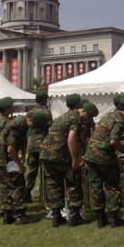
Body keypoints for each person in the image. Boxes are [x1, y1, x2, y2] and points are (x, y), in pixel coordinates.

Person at [40, 94, 98, 227]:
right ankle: (74, 216)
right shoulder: (75, 119)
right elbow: (71, 140)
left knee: (54, 184)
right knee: (73, 184)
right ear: (82, 110)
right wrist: (75, 160)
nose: (87, 120)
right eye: (88, 116)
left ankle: (56, 217)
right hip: (61, 155)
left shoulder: (63, 116)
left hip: (47, 155)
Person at [83, 95, 124, 228]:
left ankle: (100, 219)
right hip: (103, 156)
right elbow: (113, 141)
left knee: (96, 187)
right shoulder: (120, 120)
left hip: (90, 155)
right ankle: (114, 218)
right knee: (112, 186)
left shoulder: (108, 115)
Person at [0, 111, 35, 225]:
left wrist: (23, 155)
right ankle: (20, 215)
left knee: (4, 187)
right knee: (18, 185)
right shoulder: (16, 126)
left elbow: (24, 141)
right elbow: (10, 150)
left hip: (0, 159)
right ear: (29, 119)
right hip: (7, 160)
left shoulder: (22, 123)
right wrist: (20, 165)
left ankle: (7, 216)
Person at [25, 89, 53, 202]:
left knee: (32, 171)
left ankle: (27, 193)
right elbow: (50, 126)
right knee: (47, 170)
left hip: (32, 145)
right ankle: (47, 194)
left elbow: (28, 125)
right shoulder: (46, 112)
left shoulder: (30, 112)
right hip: (43, 144)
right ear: (43, 100)